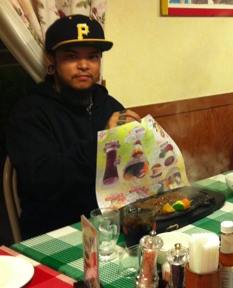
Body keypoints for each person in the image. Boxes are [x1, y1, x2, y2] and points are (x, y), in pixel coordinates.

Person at [6, 14, 141, 238]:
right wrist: (103, 143)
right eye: (71, 56)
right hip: (55, 231)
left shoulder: (109, 105)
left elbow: (130, 171)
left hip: (110, 224)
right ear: (51, 59)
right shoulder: (29, 112)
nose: (84, 65)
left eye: (93, 57)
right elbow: (44, 181)